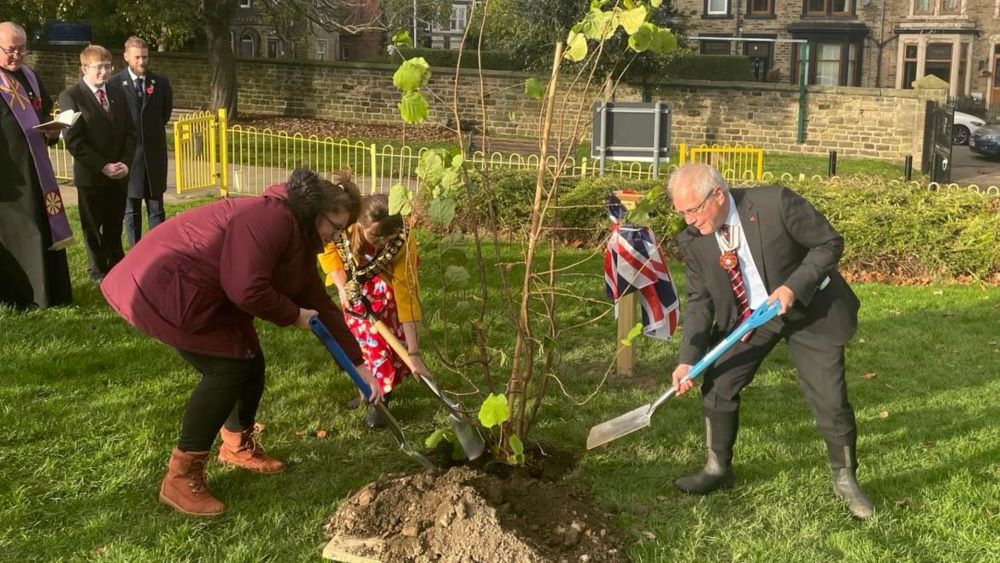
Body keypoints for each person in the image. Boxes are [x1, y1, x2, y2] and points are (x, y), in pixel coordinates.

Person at [101, 168, 383, 517]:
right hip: (166, 284)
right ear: (314, 212)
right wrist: (292, 314)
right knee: (227, 369)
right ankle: (180, 475)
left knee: (250, 360)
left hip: (204, 291)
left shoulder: (296, 231)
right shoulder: (272, 219)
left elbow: (320, 303)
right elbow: (246, 288)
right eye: (334, 227)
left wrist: (358, 365)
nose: (335, 238)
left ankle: (236, 445)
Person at [666, 163, 873, 519]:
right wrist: (689, 358)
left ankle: (845, 479)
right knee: (719, 384)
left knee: (829, 396)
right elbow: (700, 300)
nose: (688, 221)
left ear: (718, 195)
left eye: (693, 210)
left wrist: (793, 286)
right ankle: (718, 468)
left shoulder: (775, 203)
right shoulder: (694, 239)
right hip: (751, 317)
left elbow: (829, 242)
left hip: (809, 307)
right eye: (682, 212)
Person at [318, 190, 428, 429]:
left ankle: (381, 400)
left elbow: (406, 292)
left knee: (378, 342)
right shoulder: (344, 228)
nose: (382, 243)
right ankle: (365, 390)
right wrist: (341, 286)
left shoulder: (403, 240)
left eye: (388, 237)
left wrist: (415, 353)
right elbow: (327, 251)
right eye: (376, 237)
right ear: (360, 225)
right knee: (358, 342)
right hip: (353, 288)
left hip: (385, 292)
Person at [0, 21, 74, 309]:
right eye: (10, 50)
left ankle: (51, 293)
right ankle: (20, 297)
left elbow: (41, 115)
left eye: (22, 49)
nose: (17, 56)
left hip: (37, 171)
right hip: (8, 177)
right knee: (19, 233)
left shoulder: (31, 76)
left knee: (42, 228)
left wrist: (53, 131)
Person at [58, 44, 135, 283]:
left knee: (114, 222)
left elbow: (131, 133)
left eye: (107, 67)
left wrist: (124, 162)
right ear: (84, 68)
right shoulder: (71, 96)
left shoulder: (118, 93)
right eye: (98, 68)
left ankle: (116, 263)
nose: (104, 72)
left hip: (119, 174)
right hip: (91, 175)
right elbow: (74, 140)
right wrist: (103, 166)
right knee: (93, 225)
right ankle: (97, 269)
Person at [111, 36, 173, 247]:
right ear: (127, 56)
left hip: (154, 157)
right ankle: (137, 252)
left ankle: (157, 251)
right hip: (129, 158)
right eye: (137, 57)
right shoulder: (115, 85)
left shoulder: (161, 83)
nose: (142, 62)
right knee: (132, 210)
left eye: (145, 57)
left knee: (157, 209)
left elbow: (164, 114)